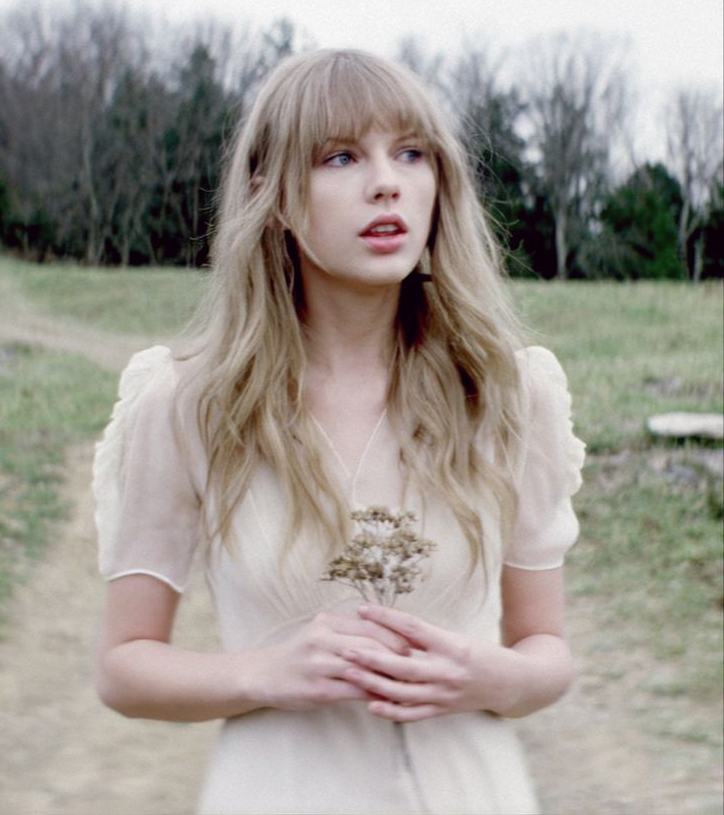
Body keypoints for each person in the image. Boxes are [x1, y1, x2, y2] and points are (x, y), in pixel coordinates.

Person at [92, 48, 585, 815]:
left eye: (411, 152)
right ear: (274, 195)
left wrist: (486, 677)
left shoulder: (508, 394)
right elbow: (124, 665)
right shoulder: (189, 403)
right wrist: (264, 672)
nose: (386, 180)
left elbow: (546, 652)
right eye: (342, 156)